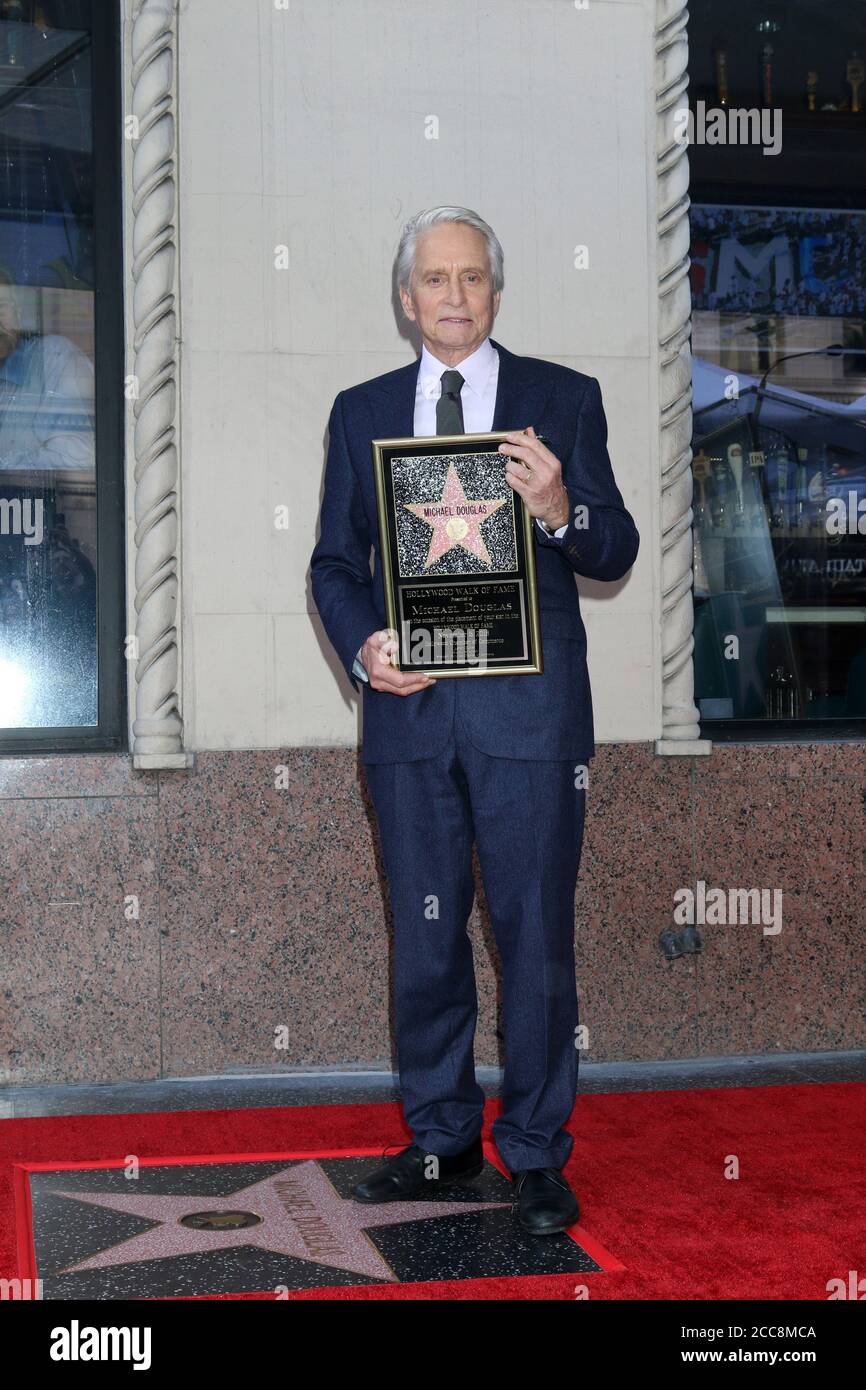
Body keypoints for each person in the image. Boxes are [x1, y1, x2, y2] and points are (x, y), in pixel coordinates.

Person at [310, 206, 639, 1235]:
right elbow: (331, 564)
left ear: (493, 293)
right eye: (434, 280)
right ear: (405, 299)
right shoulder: (360, 411)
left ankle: (536, 1153)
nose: (454, 295)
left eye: (472, 278)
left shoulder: (560, 400)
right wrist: (366, 645)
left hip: (530, 728)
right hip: (409, 725)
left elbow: (613, 545)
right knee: (424, 941)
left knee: (534, 941)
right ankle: (441, 1137)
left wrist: (558, 511)